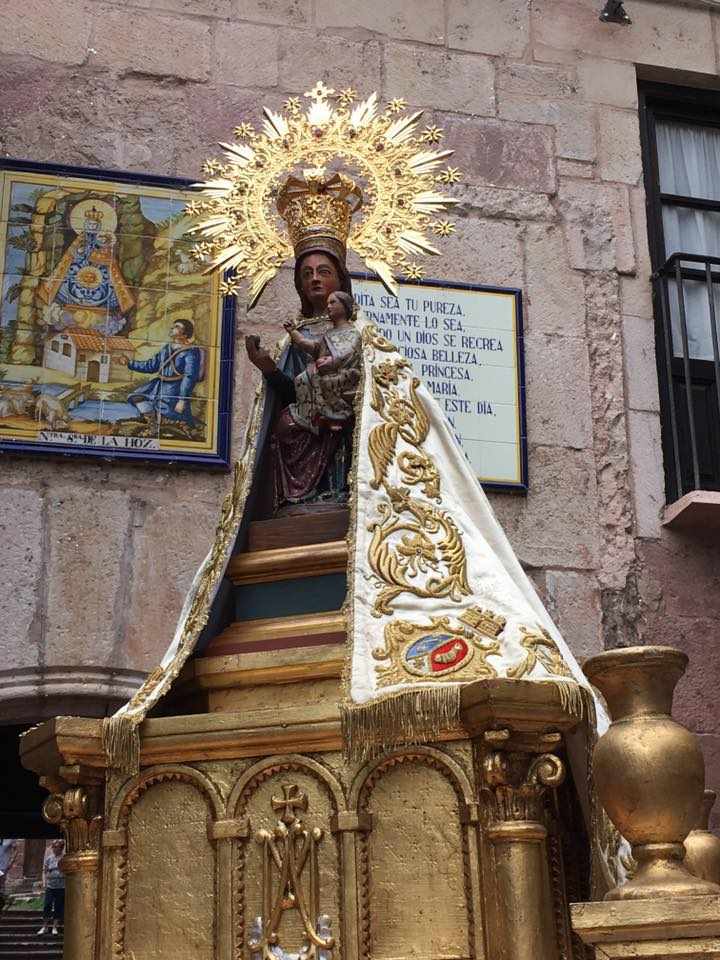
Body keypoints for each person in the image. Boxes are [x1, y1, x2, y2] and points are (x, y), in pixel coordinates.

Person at [244, 251, 358, 509]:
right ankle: (297, 497)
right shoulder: (296, 337)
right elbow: (291, 393)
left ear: (340, 281)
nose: (315, 279)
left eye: (323, 272)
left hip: (343, 407)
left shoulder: (360, 331)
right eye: (307, 274)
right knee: (284, 426)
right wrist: (268, 367)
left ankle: (339, 489)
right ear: (300, 285)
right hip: (308, 409)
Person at [122, 318, 204, 427]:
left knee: (167, 410)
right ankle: (152, 422)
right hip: (158, 384)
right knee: (136, 397)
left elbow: (189, 376)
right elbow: (151, 365)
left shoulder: (191, 352)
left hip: (175, 388)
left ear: (185, 334)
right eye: (173, 325)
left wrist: (182, 400)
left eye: (177, 327)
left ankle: (170, 424)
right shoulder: (167, 348)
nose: (172, 328)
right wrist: (129, 363)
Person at [37, 839, 65, 936]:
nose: (53, 849)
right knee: (47, 906)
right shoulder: (49, 858)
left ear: (61, 848)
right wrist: (44, 882)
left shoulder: (64, 858)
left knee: (58, 906)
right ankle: (45, 926)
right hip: (50, 886)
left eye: (56, 847)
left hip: (61, 886)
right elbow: (45, 871)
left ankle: (54, 927)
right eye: (53, 847)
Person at [0, 839, 17, 912]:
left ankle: (4, 903)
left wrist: (11, 861)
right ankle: (7, 900)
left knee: (1, 884)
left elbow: (16, 850)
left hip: (2, 866)